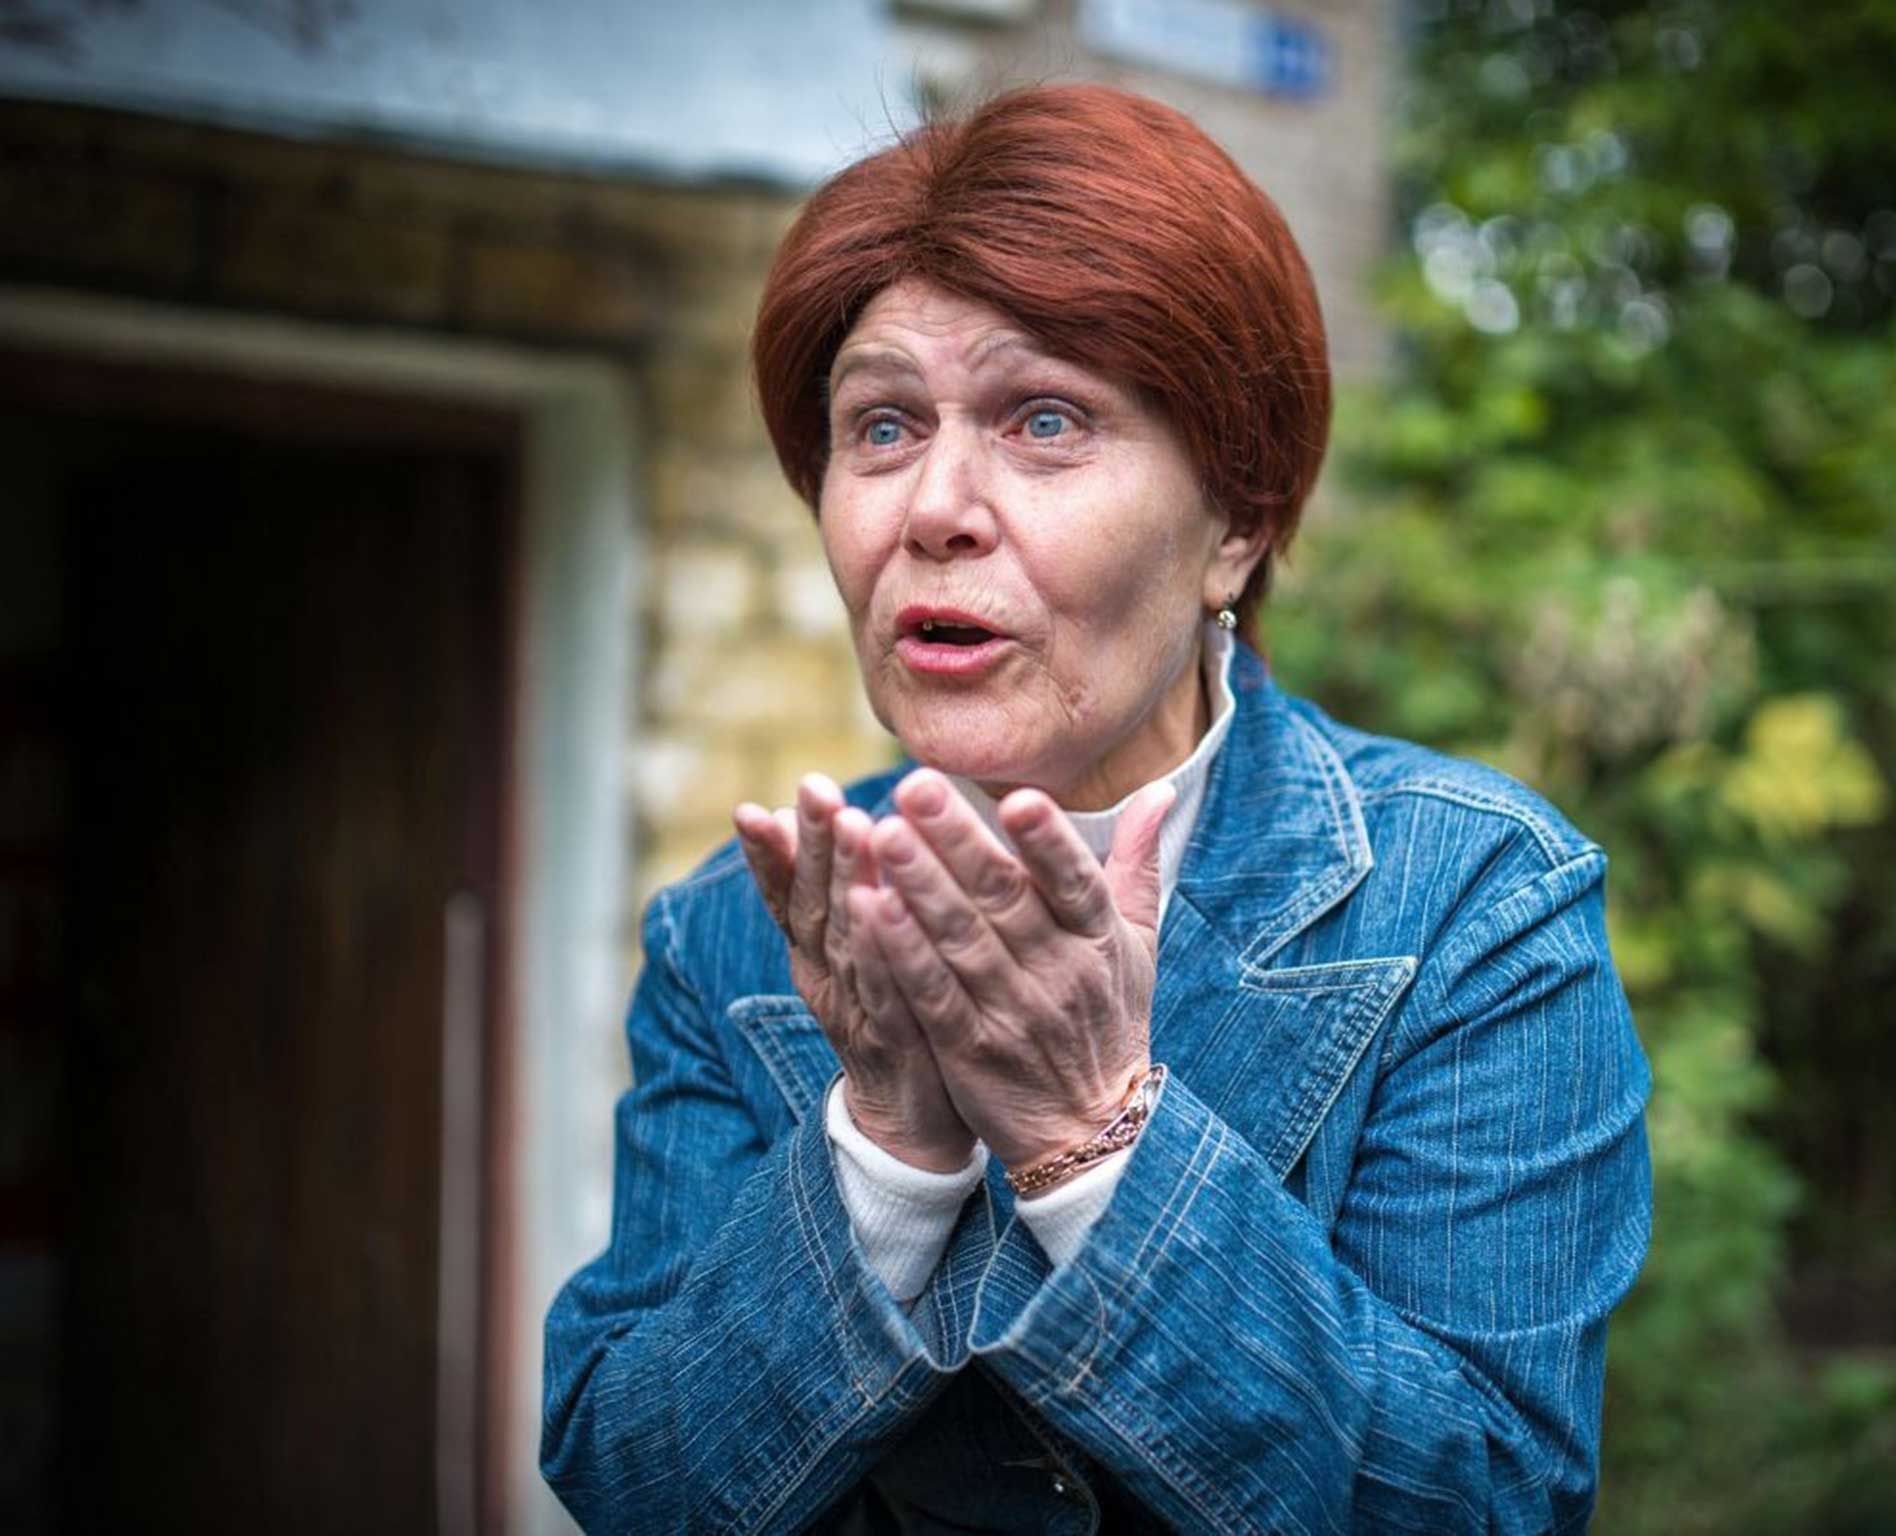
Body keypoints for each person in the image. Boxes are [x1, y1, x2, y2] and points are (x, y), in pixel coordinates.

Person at [541, 84, 1651, 1534]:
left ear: (1237, 526)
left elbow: (1490, 1500)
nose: (933, 506)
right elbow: (632, 1483)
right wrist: (881, 1145)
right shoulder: (732, 931)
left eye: (1045, 418)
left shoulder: (1472, 900)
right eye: (879, 427)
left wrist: (1089, 1140)